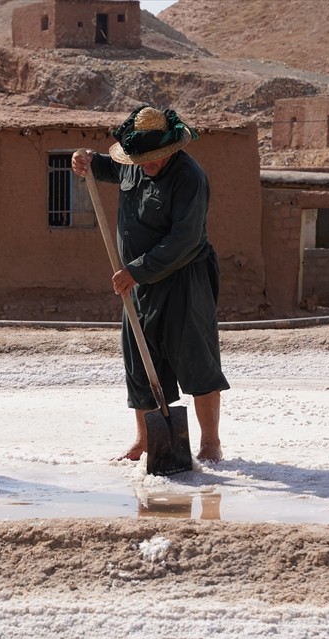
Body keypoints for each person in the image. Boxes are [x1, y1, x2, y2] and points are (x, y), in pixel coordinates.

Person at [72, 105, 228, 463]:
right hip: (138, 284)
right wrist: (87, 161)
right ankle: (145, 440)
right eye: (140, 159)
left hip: (183, 277)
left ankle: (210, 443)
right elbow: (108, 167)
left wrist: (137, 270)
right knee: (139, 361)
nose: (147, 165)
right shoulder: (134, 163)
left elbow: (184, 239)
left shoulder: (190, 177)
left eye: (154, 158)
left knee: (196, 358)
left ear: (171, 150)